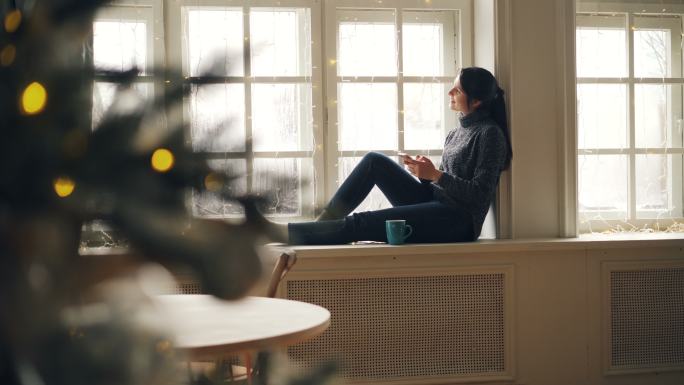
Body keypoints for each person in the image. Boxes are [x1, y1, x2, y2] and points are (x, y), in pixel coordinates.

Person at [260, 66, 512, 245]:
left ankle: (289, 234)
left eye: (456, 90)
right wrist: (424, 174)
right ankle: (320, 226)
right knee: (374, 161)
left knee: (362, 222)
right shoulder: (456, 132)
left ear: (477, 101)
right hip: (437, 203)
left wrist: (436, 176)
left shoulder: (490, 135)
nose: (450, 94)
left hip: (459, 221)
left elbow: (480, 194)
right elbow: (442, 184)